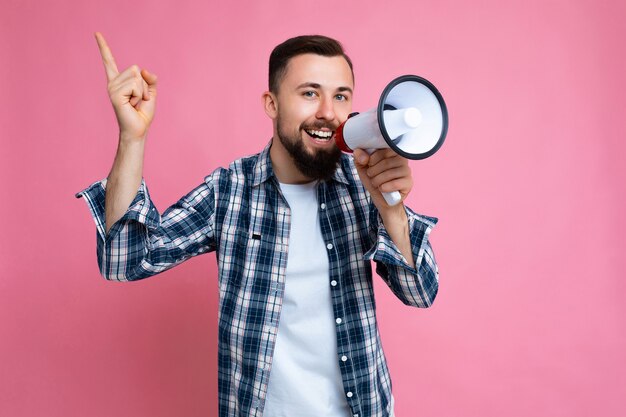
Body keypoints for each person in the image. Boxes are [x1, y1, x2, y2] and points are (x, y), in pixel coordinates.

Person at [77, 32, 439, 417]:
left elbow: (421, 292)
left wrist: (391, 209)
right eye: (309, 93)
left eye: (341, 96)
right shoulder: (231, 190)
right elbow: (122, 261)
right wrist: (132, 138)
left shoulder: (362, 184)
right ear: (271, 103)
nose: (329, 114)